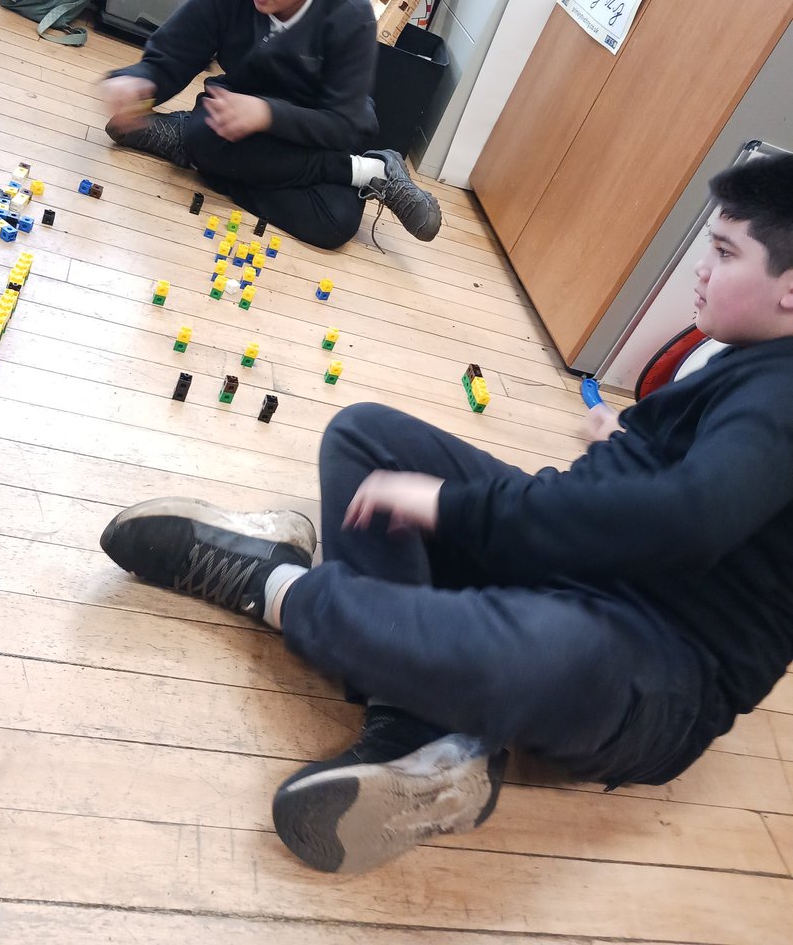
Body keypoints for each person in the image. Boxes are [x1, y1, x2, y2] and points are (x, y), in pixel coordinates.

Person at [99, 152, 793, 874]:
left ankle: (274, 585)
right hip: (576, 565)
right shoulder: (744, 353)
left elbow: (692, 517)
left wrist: (450, 507)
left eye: (723, 251)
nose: (700, 270)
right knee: (366, 436)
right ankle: (417, 731)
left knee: (538, 652)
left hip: (652, 664)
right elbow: (696, 483)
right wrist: (625, 442)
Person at [101, 0, 441, 250]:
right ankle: (363, 175)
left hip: (323, 129)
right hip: (245, 112)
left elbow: (344, 124)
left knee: (335, 223)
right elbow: (173, 55)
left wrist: (267, 114)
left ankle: (366, 165)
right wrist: (140, 81)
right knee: (209, 133)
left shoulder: (351, 14)